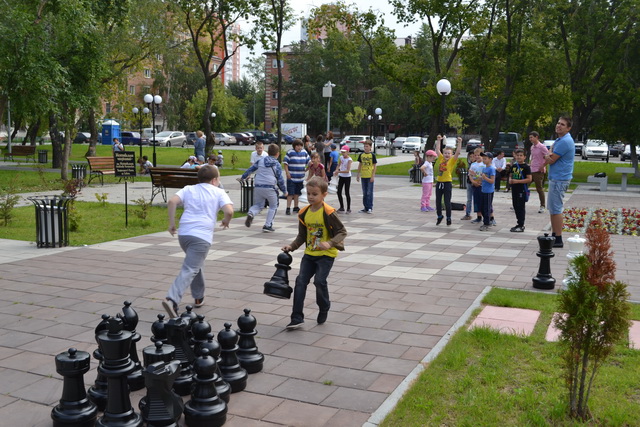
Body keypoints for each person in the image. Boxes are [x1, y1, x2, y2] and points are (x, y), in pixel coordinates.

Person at [163, 165, 233, 317]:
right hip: (201, 237)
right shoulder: (218, 191)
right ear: (215, 180)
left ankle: (198, 296)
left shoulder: (188, 189)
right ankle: (172, 299)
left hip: (184, 234)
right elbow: (229, 211)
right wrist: (226, 221)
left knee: (195, 263)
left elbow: (172, 201)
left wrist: (171, 224)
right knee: (190, 268)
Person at [281, 176, 347, 329]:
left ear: (324, 194)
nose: (311, 197)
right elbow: (302, 236)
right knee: (300, 282)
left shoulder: (329, 212)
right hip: (309, 255)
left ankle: (324, 306)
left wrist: (330, 243)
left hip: (326, 255)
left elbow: (342, 231)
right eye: (309, 193)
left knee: (319, 281)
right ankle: (297, 317)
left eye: (315, 194)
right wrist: (291, 247)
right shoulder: (304, 213)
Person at [239, 143, 287, 233]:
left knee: (259, 205)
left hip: (258, 186)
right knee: (273, 206)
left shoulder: (260, 161)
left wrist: (243, 176)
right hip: (270, 187)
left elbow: (251, 169)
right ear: (277, 154)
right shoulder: (276, 164)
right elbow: (280, 179)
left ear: (268, 152)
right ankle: (268, 225)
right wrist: (284, 191)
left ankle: (251, 213)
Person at [544, 116, 575, 248]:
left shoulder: (565, 141)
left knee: (556, 209)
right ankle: (554, 234)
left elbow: (551, 159)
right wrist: (549, 153)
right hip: (556, 178)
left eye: (562, 124)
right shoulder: (560, 139)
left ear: (568, 128)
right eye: (558, 123)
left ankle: (558, 238)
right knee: (552, 208)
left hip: (559, 179)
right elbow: (550, 151)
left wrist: (547, 155)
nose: (559, 126)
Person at [434, 134, 462, 225]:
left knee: (447, 202)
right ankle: (439, 216)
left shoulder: (452, 161)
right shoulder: (441, 158)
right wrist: (438, 140)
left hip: (447, 183)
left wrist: (459, 142)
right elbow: (437, 150)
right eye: (445, 153)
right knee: (438, 201)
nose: (446, 155)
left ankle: (448, 218)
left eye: (448, 153)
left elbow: (457, 152)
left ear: (451, 155)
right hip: (439, 182)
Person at [283, 139, 310, 215]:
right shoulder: (290, 153)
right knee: (290, 193)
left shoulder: (304, 153)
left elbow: (309, 162)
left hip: (300, 178)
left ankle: (296, 207)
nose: (299, 147)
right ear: (294, 146)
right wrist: (287, 172)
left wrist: (306, 169)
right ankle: (288, 208)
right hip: (291, 177)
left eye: (301, 145)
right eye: (297, 145)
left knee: (297, 193)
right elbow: (285, 163)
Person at [508, 148, 532, 232]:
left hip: (521, 189)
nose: (519, 157)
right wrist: (510, 180)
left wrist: (517, 181)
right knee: (515, 206)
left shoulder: (526, 167)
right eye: (517, 155)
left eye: (521, 155)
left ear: (524, 157)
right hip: (514, 188)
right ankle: (518, 223)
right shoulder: (514, 166)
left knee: (520, 207)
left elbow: (529, 179)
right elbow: (511, 175)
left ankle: (521, 224)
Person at [529, 131, 549, 213]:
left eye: (531, 137)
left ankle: (542, 205)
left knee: (539, 188)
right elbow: (533, 157)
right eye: (529, 137)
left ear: (536, 137)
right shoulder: (532, 147)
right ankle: (520, 203)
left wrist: (543, 165)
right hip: (531, 169)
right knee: (524, 186)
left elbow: (548, 158)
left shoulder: (542, 147)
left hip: (538, 171)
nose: (530, 139)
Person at [356, 139, 377, 214]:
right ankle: (365, 207)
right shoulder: (361, 155)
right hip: (363, 176)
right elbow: (360, 164)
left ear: (370, 147)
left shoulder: (372, 155)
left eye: (367, 146)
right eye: (365, 146)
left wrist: (373, 176)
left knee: (369, 192)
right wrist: (358, 174)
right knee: (364, 192)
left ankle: (370, 207)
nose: (365, 148)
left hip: (369, 176)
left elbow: (374, 166)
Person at [479, 152, 496, 231]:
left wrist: (485, 178)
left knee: (487, 207)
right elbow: (482, 178)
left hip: (489, 191)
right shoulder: (484, 168)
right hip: (483, 190)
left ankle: (487, 223)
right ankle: (486, 220)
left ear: (490, 159)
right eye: (483, 158)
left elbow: (492, 181)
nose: (484, 160)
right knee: (482, 207)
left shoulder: (492, 169)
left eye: (485, 158)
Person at [469, 148, 486, 224]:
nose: (477, 157)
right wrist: (473, 181)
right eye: (475, 155)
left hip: (482, 185)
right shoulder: (473, 164)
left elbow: (485, 175)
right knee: (476, 201)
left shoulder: (484, 165)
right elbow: (470, 175)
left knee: (483, 201)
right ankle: (478, 217)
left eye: (478, 155)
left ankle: (487, 216)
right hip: (475, 185)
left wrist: (480, 181)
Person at [334, 145, 352, 213]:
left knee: (347, 192)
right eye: (342, 152)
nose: (342, 153)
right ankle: (342, 207)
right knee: (339, 191)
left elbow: (348, 170)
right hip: (341, 176)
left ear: (347, 152)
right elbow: (339, 165)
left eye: (344, 152)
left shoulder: (349, 160)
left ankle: (348, 208)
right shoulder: (341, 157)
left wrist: (338, 171)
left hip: (347, 177)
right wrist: (336, 170)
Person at [461, 151, 476, 220]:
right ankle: (467, 214)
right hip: (469, 182)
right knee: (469, 199)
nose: (472, 158)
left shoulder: (477, 164)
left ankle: (479, 214)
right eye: (470, 157)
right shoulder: (470, 164)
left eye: (473, 156)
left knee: (477, 199)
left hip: (476, 183)